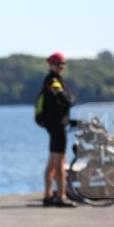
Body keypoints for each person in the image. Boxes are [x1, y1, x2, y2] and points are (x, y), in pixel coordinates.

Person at [39, 51, 76, 207]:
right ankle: (61, 197)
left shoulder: (53, 80)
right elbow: (65, 100)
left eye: (62, 64)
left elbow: (64, 102)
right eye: (57, 64)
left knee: (53, 161)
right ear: (50, 65)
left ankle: (48, 195)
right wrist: (71, 100)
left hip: (55, 124)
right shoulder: (53, 81)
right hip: (57, 125)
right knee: (60, 161)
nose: (61, 67)